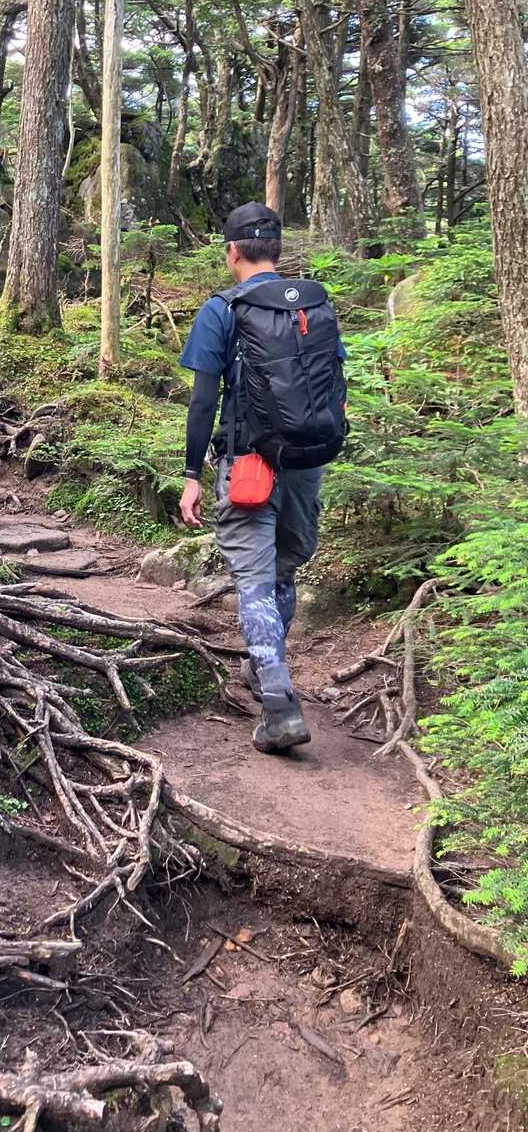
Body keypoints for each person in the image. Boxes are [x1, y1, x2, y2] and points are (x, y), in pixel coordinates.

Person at [178, 202, 347, 754]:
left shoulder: (222, 309)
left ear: (232, 251)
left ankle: (279, 707)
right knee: (282, 569)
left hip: (249, 464)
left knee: (253, 579)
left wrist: (191, 474)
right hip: (307, 462)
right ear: (277, 248)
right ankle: (264, 668)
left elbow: (204, 402)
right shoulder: (314, 304)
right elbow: (334, 383)